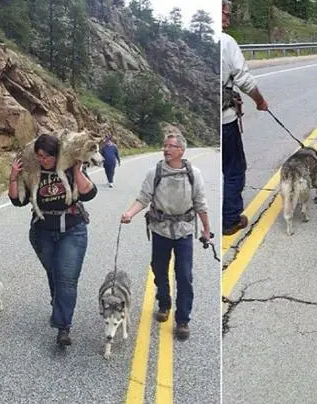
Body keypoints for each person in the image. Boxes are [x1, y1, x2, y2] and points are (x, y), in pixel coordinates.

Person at [8, 134, 97, 346]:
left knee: (66, 279)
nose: (44, 160)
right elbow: (17, 201)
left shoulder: (68, 166)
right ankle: (59, 304)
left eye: (48, 156)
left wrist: (76, 169)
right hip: (42, 233)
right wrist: (13, 177)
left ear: (57, 154)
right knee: (54, 274)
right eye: (40, 156)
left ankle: (63, 327)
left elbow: (89, 193)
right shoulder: (33, 171)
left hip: (72, 230)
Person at [120, 134, 211, 340]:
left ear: (181, 150)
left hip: (184, 231)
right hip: (160, 229)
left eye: (172, 146)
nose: (166, 149)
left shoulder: (193, 174)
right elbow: (143, 198)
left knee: (184, 276)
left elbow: (201, 204)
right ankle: (164, 303)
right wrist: (129, 213)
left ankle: (183, 320)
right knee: (159, 269)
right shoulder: (155, 173)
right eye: (165, 145)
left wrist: (206, 229)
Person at [221, 0, 269, 236]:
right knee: (234, 169)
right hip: (225, 121)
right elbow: (244, 79)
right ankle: (229, 219)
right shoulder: (226, 42)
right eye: (225, 14)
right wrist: (259, 100)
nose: (228, 20)